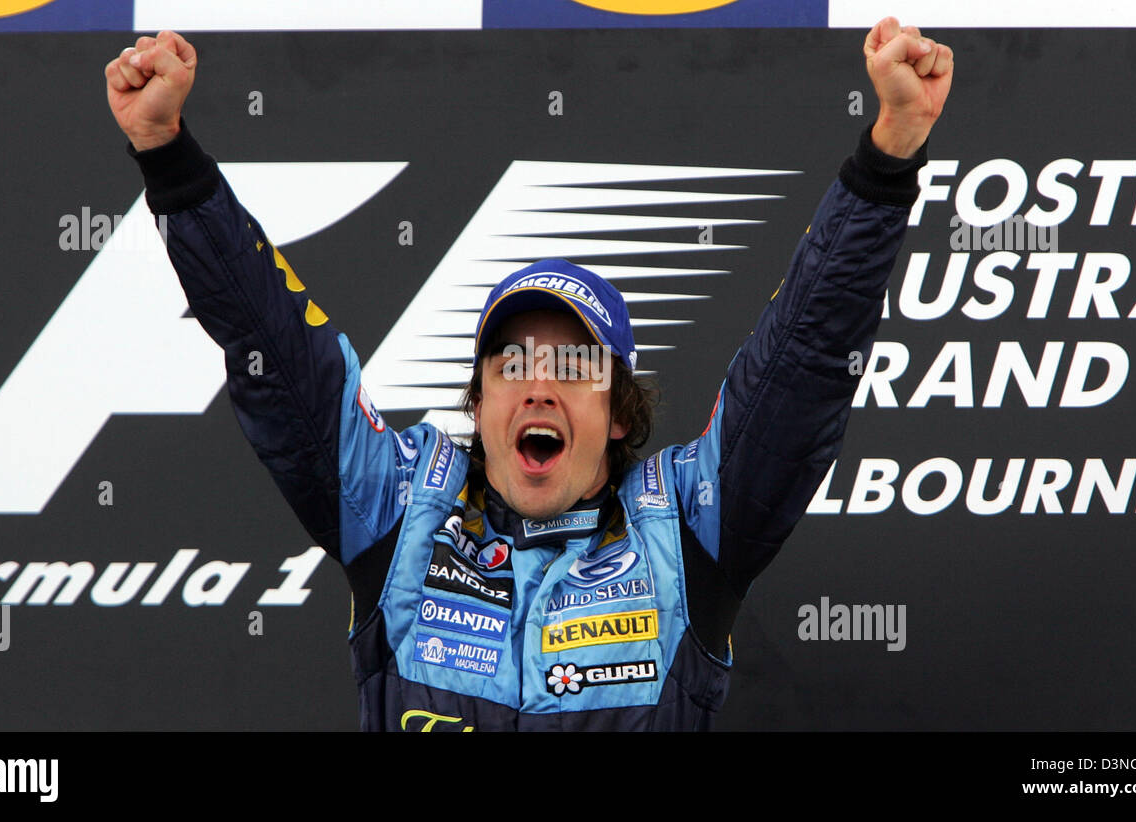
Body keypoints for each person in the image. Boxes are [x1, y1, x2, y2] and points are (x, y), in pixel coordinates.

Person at [105, 19, 953, 731]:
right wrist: (169, 160)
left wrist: (885, 165)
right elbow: (276, 349)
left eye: (575, 362)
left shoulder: (687, 525)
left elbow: (801, 362)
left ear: (618, 413)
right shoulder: (402, 509)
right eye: (512, 361)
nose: (539, 383)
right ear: (479, 403)